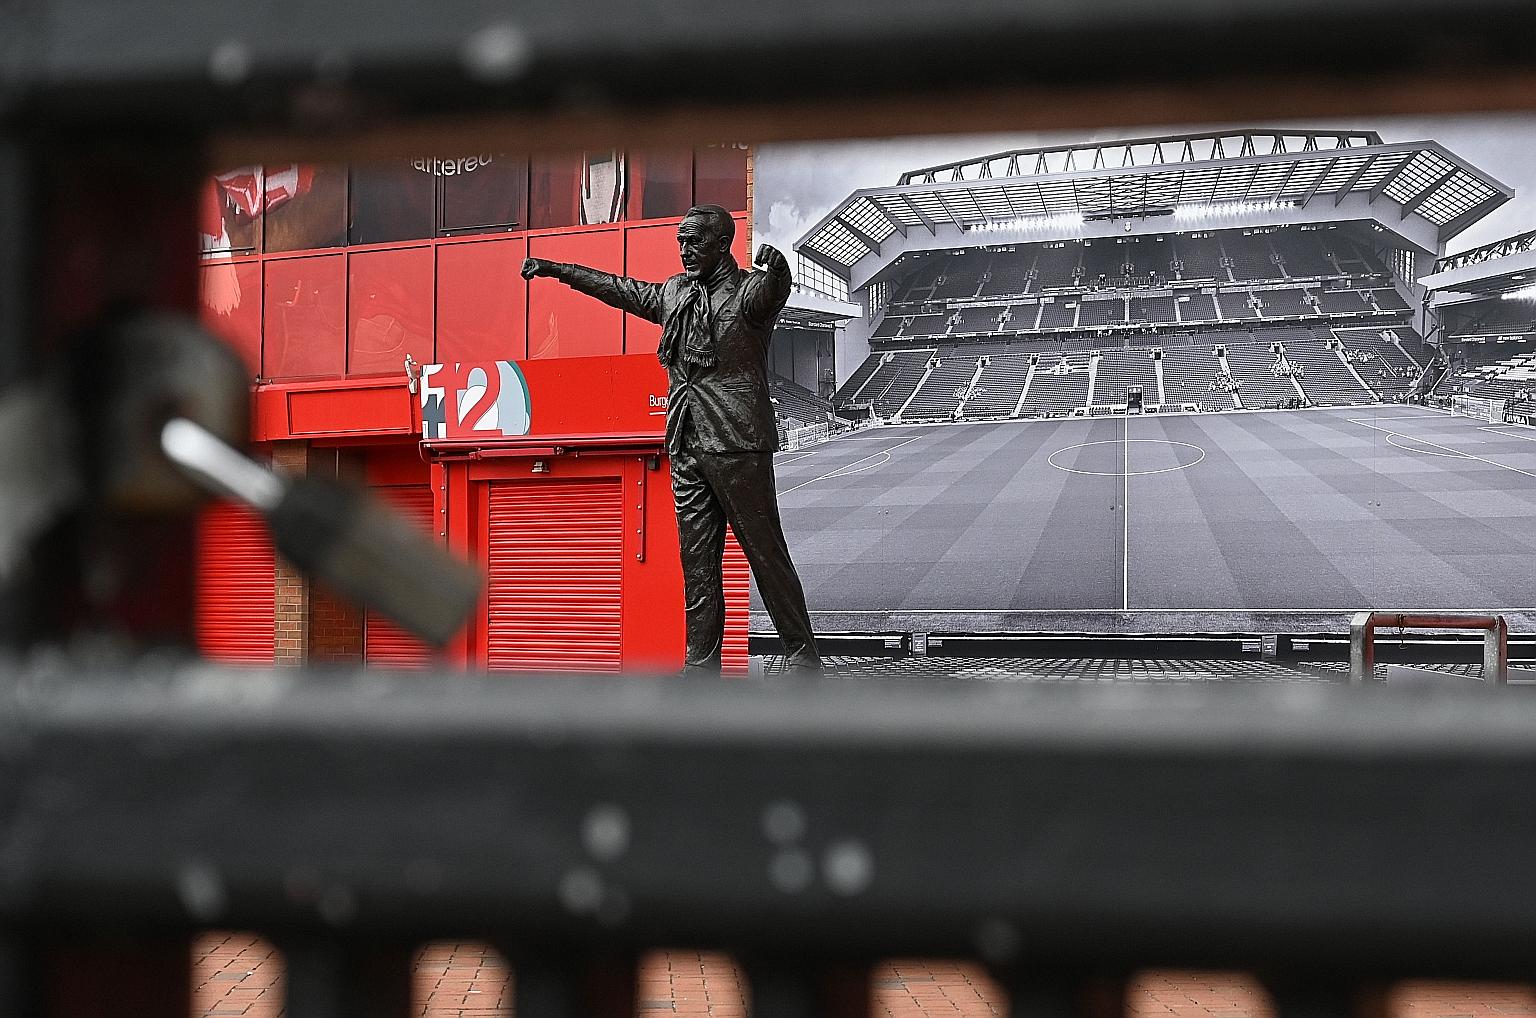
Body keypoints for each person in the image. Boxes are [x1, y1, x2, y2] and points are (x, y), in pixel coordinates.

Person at [521, 204, 821, 674]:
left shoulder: (748, 294)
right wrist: (560, 271)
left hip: (737, 441)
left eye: (694, 240)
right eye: (680, 241)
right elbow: (620, 290)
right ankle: (700, 668)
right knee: (696, 565)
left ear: (723, 244)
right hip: (685, 442)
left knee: (765, 554)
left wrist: (778, 267)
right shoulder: (676, 293)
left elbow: (773, 290)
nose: (684, 249)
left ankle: (804, 658)